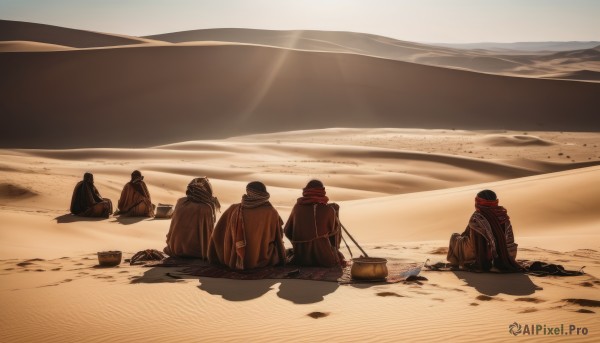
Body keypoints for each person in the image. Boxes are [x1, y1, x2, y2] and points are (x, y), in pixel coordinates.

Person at [208, 181, 286, 270]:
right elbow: (279, 235)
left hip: (235, 260)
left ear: (249, 192)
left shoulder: (234, 209)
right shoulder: (271, 212)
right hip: (263, 259)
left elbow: (218, 234)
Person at [447, 189, 520, 272]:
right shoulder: (503, 215)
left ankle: (454, 263)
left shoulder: (477, 217)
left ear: (479, 202)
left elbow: (473, 240)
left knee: (454, 237)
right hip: (509, 255)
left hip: (479, 256)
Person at [284, 180, 345, 267]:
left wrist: (300, 242)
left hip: (300, 257)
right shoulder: (329, 210)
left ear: (306, 191)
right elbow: (334, 232)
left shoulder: (297, 208)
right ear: (322, 192)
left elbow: (287, 231)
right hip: (324, 259)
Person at [164, 177, 220, 259]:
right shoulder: (206, 207)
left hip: (175, 248)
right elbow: (208, 233)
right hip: (197, 253)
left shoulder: (180, 202)